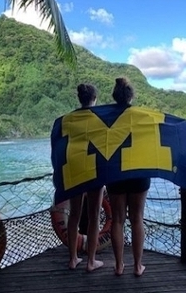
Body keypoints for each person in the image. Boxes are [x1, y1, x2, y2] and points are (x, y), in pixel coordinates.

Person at [106, 77, 150, 277]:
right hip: (139, 170)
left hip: (115, 172)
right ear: (131, 96)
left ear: (115, 96)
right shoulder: (142, 116)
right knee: (137, 219)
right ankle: (138, 266)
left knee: (117, 220)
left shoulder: (105, 117)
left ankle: (118, 265)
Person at [66, 83, 104, 272]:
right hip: (94, 170)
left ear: (79, 99)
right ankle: (91, 261)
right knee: (94, 215)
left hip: (74, 169)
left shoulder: (69, 119)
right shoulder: (100, 118)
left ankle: (73, 259)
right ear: (95, 99)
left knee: (74, 214)